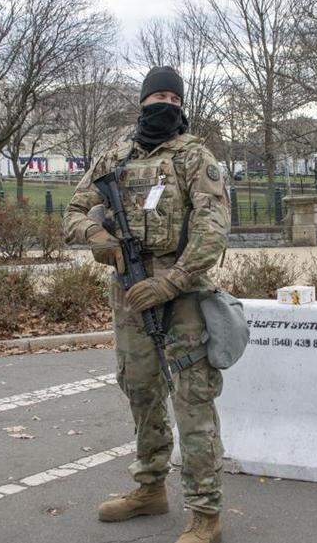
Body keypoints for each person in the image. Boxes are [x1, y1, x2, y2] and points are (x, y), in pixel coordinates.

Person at [63, 66, 230, 543]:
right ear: (142, 102)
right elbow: (73, 212)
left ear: (182, 105)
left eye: (173, 99)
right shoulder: (115, 157)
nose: (165, 105)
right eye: (156, 96)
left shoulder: (195, 158)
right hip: (128, 291)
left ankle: (205, 512)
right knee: (140, 390)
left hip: (181, 297)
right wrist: (101, 239)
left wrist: (172, 281)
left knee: (192, 398)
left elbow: (213, 231)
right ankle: (150, 487)